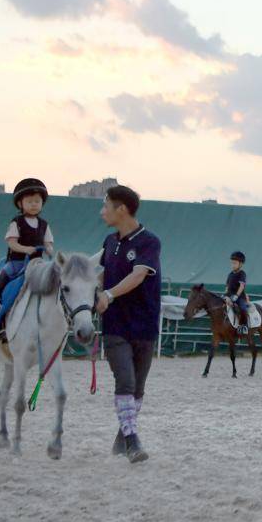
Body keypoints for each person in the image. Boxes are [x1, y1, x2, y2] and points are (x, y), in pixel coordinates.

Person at [95, 185, 162, 464]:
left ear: (121, 209)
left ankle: (121, 439)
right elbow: (100, 274)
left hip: (144, 324)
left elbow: (138, 276)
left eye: (105, 206)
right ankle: (133, 441)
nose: (102, 212)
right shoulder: (109, 242)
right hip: (115, 325)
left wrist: (109, 294)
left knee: (138, 389)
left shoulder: (149, 242)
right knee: (126, 380)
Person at [0, 178, 54, 324]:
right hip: (17, 262)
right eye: (29, 201)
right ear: (20, 204)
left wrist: (49, 250)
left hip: (37, 264)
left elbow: (48, 243)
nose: (34, 205)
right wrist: (26, 249)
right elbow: (11, 243)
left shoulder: (44, 225)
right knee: (5, 274)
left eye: (37, 201)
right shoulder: (17, 222)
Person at [224, 251, 250, 336]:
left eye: (235, 263)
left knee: (243, 308)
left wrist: (236, 296)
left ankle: (244, 326)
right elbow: (227, 287)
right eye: (232, 263)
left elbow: (242, 286)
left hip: (239, 297)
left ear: (241, 264)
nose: (233, 265)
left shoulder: (242, 274)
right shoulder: (230, 274)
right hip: (229, 296)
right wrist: (225, 295)